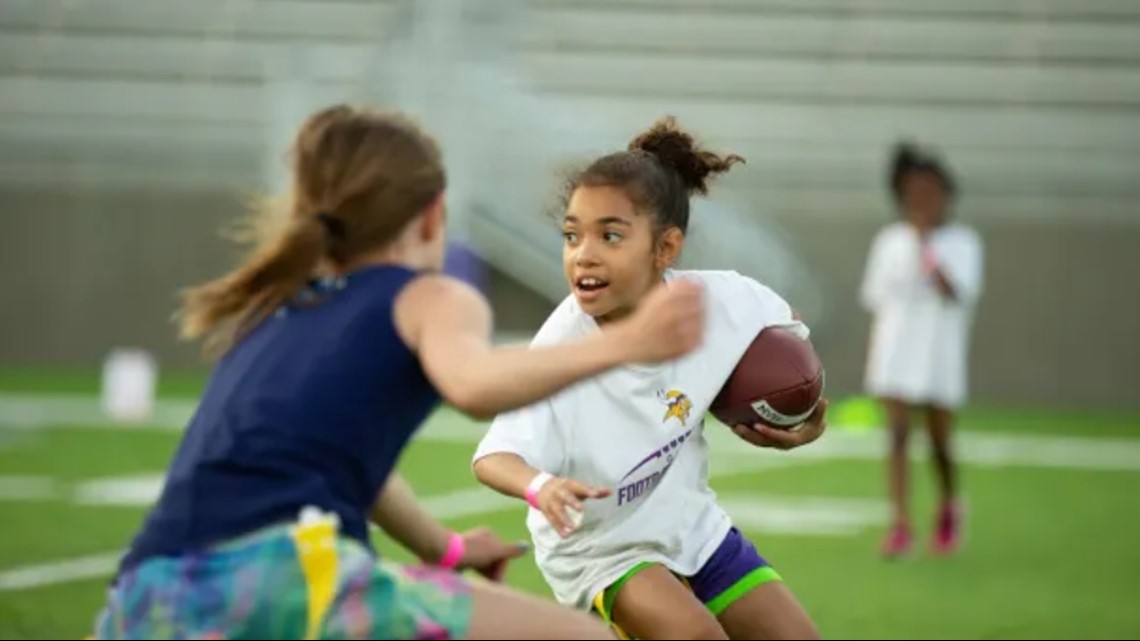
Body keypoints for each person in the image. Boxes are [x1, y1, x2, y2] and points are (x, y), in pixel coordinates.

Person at [89, 104, 711, 640]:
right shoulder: (430, 297)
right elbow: (472, 384)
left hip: (145, 596)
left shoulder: (280, 304)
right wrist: (627, 342)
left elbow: (359, 472)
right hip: (280, 575)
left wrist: (448, 550)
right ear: (434, 214)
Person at [471, 116, 827, 640]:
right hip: (601, 549)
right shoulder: (562, 350)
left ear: (665, 249)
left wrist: (806, 419)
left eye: (610, 235)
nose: (583, 253)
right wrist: (541, 486)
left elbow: (793, 355)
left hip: (689, 523)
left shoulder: (726, 300)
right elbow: (492, 457)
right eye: (572, 235)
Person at [859, 142, 984, 558]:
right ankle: (899, 523)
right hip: (897, 350)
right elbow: (877, 297)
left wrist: (928, 246)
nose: (922, 203)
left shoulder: (962, 242)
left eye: (930, 193)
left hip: (938, 354)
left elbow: (956, 292)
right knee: (896, 436)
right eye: (914, 195)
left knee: (938, 441)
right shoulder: (890, 240)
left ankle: (949, 507)